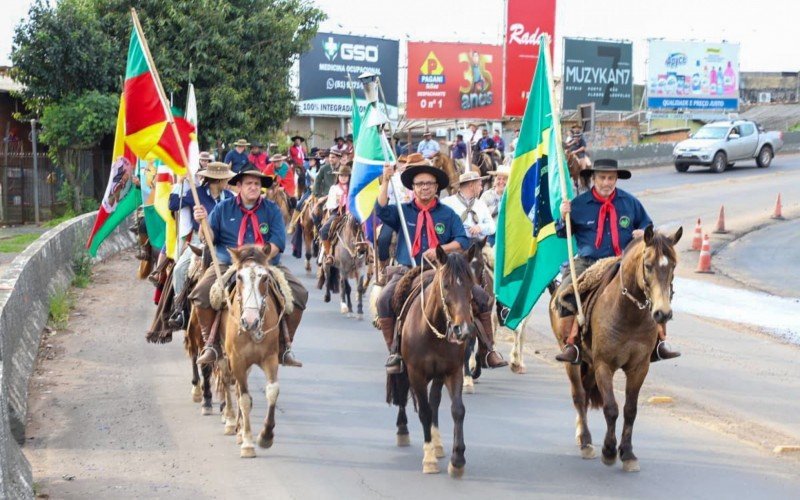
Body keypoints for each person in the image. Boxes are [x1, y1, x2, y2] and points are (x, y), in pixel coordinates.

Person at [375, 156, 507, 374]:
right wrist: (386, 181)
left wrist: (440, 251)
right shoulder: (403, 210)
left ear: (436, 187)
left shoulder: (447, 213)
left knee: (482, 298)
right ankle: (394, 351)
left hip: (441, 270)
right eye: (420, 184)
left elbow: (462, 240)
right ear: (413, 188)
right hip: (409, 269)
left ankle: (488, 350)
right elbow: (380, 211)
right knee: (384, 299)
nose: (424, 188)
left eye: (429, 184)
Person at [554, 159, 680, 364]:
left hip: (623, 261)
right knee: (566, 292)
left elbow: (648, 227)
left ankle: (659, 341)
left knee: (657, 285)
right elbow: (562, 232)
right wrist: (563, 216)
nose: (607, 182)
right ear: (593, 179)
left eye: (611, 178)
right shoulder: (578, 204)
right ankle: (572, 342)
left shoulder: (630, 203)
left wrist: (643, 233)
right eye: (602, 178)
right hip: (590, 262)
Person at [190, 163, 308, 367]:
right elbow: (208, 237)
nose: (253, 187)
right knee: (200, 294)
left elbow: (278, 242)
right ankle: (211, 344)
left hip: (266, 265)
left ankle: (284, 346)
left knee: (299, 293)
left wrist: (258, 263)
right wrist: (203, 223)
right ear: (238, 187)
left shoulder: (271, 210)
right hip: (229, 264)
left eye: (256, 183)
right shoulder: (222, 208)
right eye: (248, 183)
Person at [168, 161, 235, 309]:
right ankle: (179, 309)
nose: (228, 182)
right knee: (179, 269)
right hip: (201, 241)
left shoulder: (231, 197)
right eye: (226, 179)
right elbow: (172, 204)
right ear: (218, 180)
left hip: (225, 243)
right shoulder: (196, 194)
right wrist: (180, 183)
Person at [375, 153, 412, 285]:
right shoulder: (394, 179)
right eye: (401, 163)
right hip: (394, 213)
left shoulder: (417, 180)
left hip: (412, 213)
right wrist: (386, 180)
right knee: (384, 238)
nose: (404, 166)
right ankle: (383, 267)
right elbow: (383, 196)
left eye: (406, 164)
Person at [441, 171, 495, 243]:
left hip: (477, 247)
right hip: (454, 246)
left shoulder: (481, 204)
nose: (481, 188)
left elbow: (492, 227)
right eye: (480, 185)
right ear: (471, 186)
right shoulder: (447, 203)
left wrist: (480, 227)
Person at [319, 163, 351, 264]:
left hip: (351, 212)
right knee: (323, 230)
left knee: (363, 227)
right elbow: (330, 204)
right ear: (338, 176)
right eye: (341, 175)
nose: (343, 178)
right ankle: (329, 255)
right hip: (337, 212)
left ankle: (368, 252)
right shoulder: (334, 188)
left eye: (346, 176)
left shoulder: (352, 188)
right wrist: (338, 202)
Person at [479, 163, 510, 246]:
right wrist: (497, 208)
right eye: (499, 178)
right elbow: (480, 214)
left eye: (505, 179)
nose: (501, 182)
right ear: (495, 180)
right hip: (491, 234)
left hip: (508, 233)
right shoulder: (486, 195)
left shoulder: (512, 196)